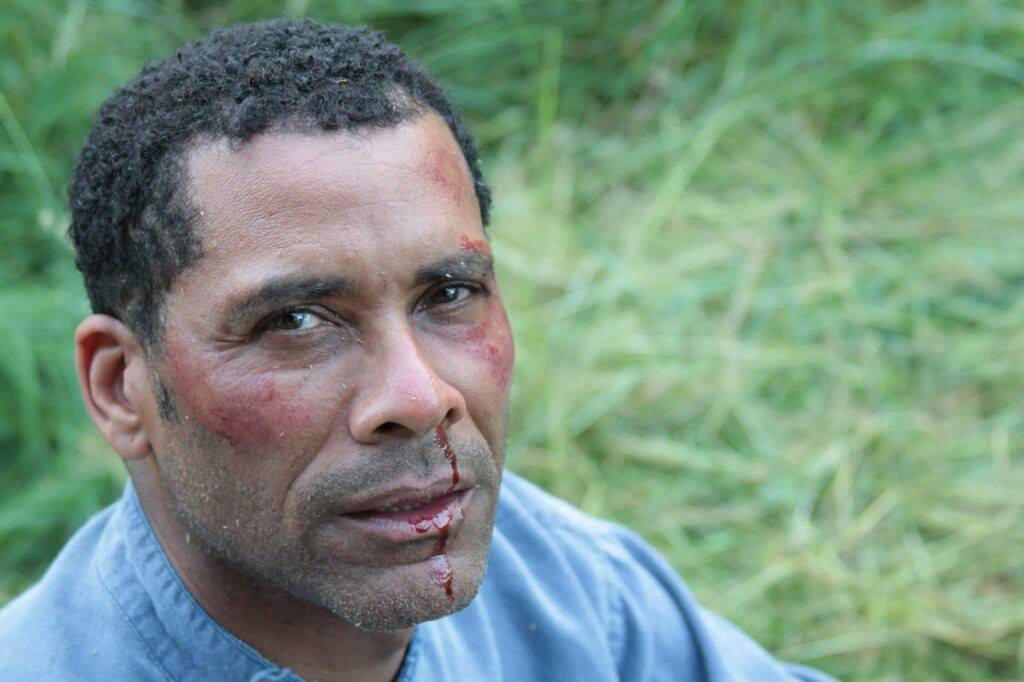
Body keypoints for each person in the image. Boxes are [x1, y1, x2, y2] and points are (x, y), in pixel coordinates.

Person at [0, 19, 833, 682]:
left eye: (449, 296)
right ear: (120, 388)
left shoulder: (566, 590)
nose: (420, 395)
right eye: (295, 322)